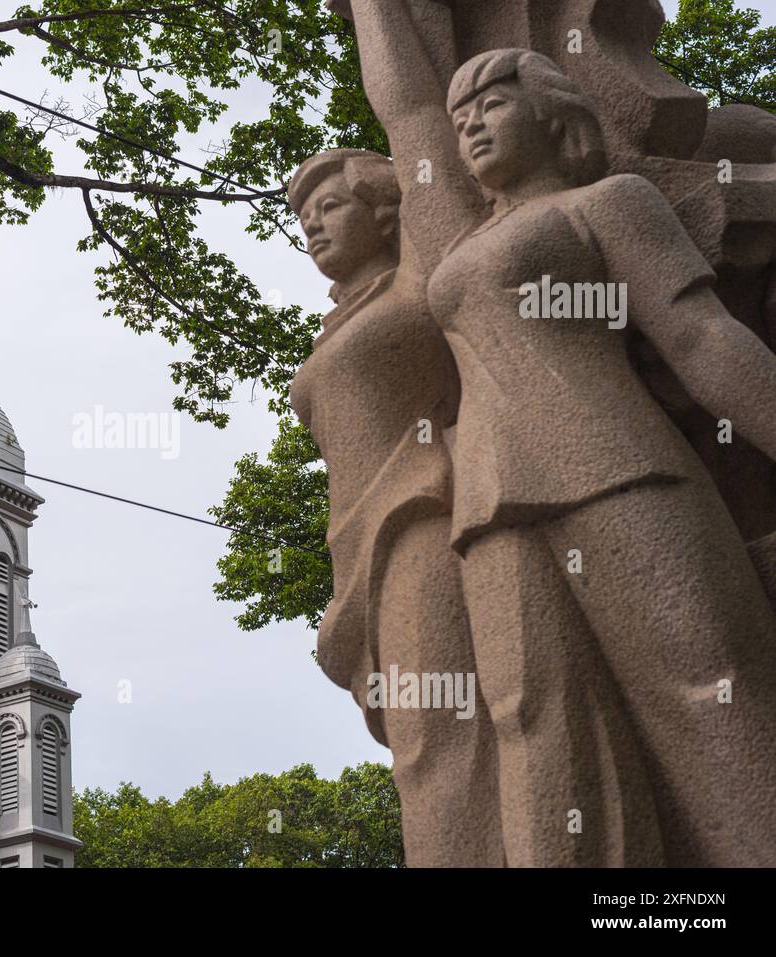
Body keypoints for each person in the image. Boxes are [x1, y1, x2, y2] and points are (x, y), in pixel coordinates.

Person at [347, 0, 776, 865]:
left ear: (555, 112)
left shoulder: (611, 204)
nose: (467, 126)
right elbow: (410, 110)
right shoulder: (460, 240)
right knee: (534, 717)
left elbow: (702, 339)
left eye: (492, 106)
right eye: (462, 115)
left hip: (622, 473)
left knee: (707, 690)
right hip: (493, 510)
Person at [289, 148, 502, 866]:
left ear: (387, 214)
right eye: (302, 219)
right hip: (360, 553)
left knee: (438, 735)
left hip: (421, 520)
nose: (311, 229)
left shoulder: (420, 283)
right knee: (419, 739)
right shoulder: (340, 322)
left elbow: (423, 142)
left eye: (331, 209)